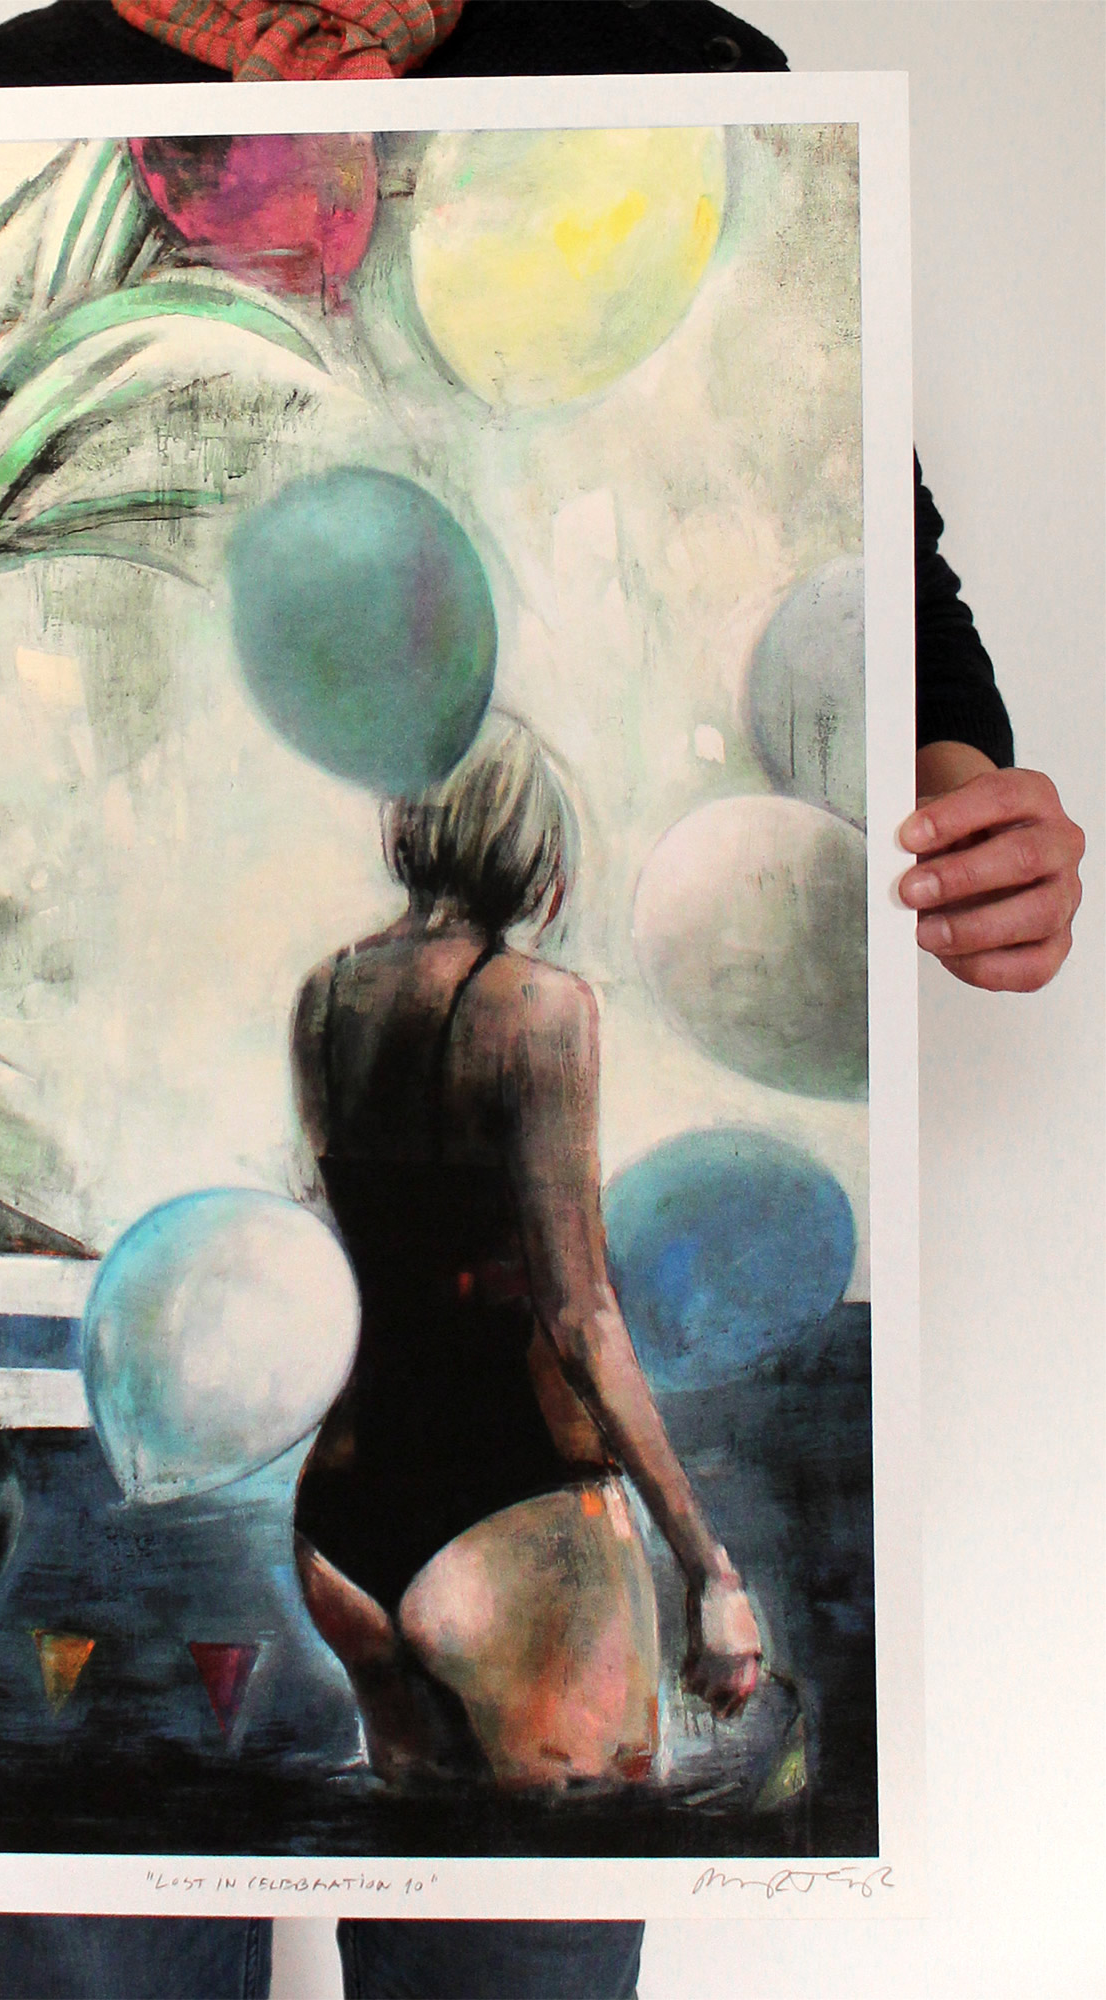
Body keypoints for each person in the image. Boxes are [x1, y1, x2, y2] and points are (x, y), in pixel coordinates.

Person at [0, 5, 1086, 1997]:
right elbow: (577, 1311)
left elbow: (865, 549)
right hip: (515, 1516)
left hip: (323, 1504)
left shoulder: (665, 72)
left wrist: (963, 791)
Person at [291, 717, 759, 1791]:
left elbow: (359, 1245)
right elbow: (580, 1313)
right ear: (531, 847)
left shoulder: (323, 999)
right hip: (513, 1507)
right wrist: (709, 1569)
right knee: (577, 1870)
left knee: (414, 1860)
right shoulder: (542, 1010)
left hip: (345, 1519)